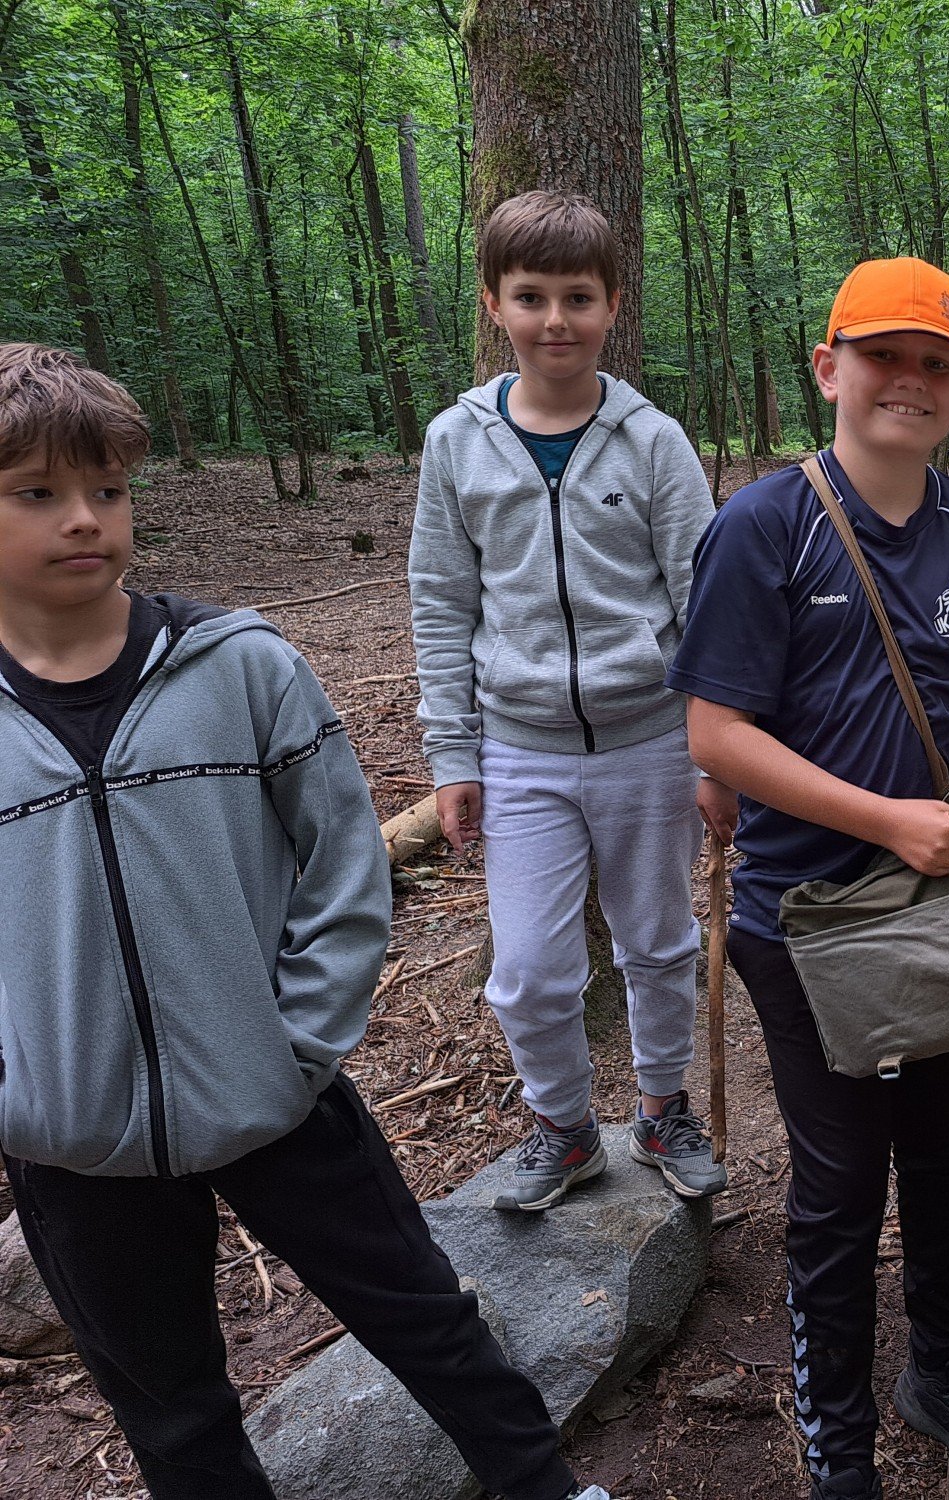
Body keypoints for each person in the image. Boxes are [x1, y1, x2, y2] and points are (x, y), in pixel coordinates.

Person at [0, 342, 612, 1500]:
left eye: (107, 489)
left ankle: (547, 1486)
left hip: (276, 1095)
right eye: (36, 492)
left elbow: (341, 862)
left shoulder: (237, 668)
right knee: (170, 1406)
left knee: (425, 1315)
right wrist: (20, 1092)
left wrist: (297, 1044)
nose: (83, 518)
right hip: (73, 1145)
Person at [669, 257, 949, 1500]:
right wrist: (884, 821)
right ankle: (837, 1441)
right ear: (828, 369)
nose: (909, 380)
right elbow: (716, 734)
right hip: (805, 915)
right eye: (882, 356)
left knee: (947, 1148)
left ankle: (942, 1369)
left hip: (943, 907)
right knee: (842, 1180)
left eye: (936, 363)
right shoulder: (763, 525)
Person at [410, 189, 731, 1213]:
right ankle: (561, 1126)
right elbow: (441, 602)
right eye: (531, 297)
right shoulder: (457, 442)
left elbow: (705, 602)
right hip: (520, 750)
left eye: (578, 298)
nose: (556, 320)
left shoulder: (652, 441)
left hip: (650, 741)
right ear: (494, 304)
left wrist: (715, 750)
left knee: (660, 943)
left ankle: (661, 1109)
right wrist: (453, 757)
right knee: (530, 970)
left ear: (612, 305)